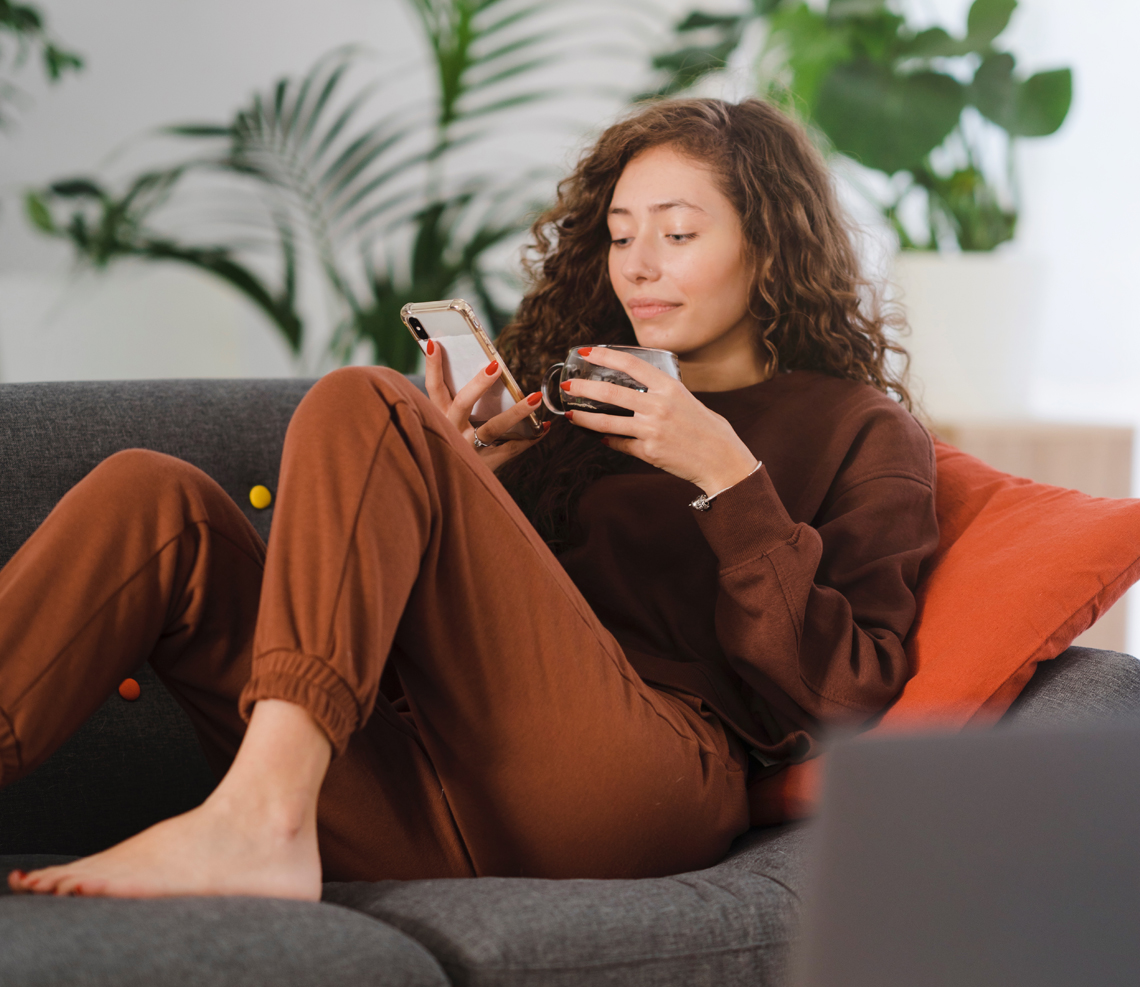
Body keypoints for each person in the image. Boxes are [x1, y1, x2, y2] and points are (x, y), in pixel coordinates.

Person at [4, 97, 937, 900]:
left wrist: (728, 479)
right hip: (424, 783)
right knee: (153, 497)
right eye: (619, 235)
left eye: (679, 233)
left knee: (363, 396)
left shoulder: (861, 430)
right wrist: (452, 480)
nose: (638, 264)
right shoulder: (574, 406)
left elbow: (852, 692)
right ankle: (276, 803)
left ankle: (260, 815)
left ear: (768, 242)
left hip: (631, 786)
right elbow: (429, 629)